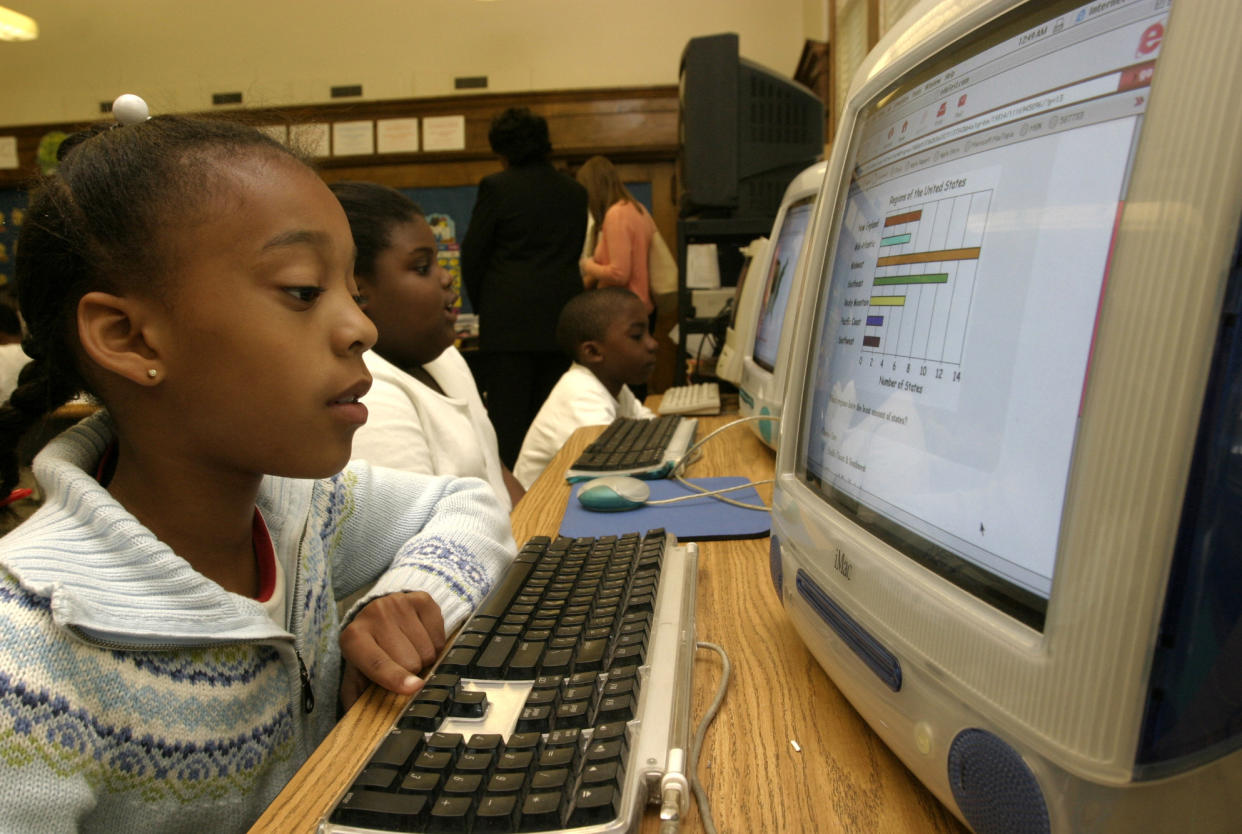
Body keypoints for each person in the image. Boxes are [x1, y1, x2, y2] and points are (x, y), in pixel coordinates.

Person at [0, 111, 516, 833]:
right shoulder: (26, 661)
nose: (360, 329)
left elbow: (466, 506)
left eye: (353, 295)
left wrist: (408, 597)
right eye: (304, 291)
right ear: (129, 336)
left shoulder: (302, 511)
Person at [329, 181, 524, 511]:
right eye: (422, 267)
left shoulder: (446, 359)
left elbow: (497, 471)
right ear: (357, 291)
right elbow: (421, 538)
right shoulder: (364, 393)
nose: (446, 277)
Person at [461, 107, 588, 469]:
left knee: (509, 426)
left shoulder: (497, 187)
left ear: (501, 150)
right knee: (556, 418)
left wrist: (485, 304)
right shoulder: (574, 191)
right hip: (562, 318)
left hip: (508, 322)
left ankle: (516, 509)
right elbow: (574, 250)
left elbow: (474, 254)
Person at [514, 287, 658, 488]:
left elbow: (652, 429)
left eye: (649, 333)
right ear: (592, 351)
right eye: (636, 336)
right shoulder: (579, 395)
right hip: (544, 512)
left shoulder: (614, 386)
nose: (653, 344)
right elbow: (613, 471)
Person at [575, 155, 656, 317]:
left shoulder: (616, 214)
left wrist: (586, 264)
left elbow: (619, 274)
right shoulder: (638, 209)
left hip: (622, 310)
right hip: (639, 305)